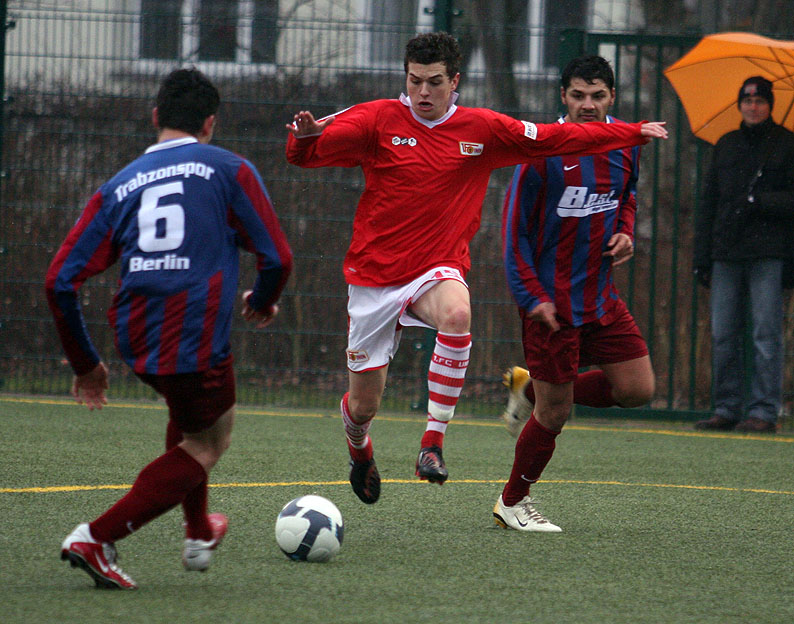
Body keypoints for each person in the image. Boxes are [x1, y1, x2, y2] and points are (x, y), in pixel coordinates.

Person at [285, 33, 667, 505]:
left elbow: (555, 137)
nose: (423, 92)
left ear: (455, 81)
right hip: (374, 278)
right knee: (364, 406)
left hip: (437, 267)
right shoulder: (376, 118)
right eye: (415, 81)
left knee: (458, 314)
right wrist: (305, 137)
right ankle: (359, 447)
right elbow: (305, 154)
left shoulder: (481, 128)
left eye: (434, 82)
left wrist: (632, 132)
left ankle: (433, 443)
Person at [46, 68, 292, 589]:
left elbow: (59, 282)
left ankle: (199, 532)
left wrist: (87, 364)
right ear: (209, 124)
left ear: (155, 116)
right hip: (194, 334)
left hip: (133, 332)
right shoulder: (229, 169)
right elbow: (278, 258)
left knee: (189, 417)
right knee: (209, 442)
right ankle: (96, 538)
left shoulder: (119, 185)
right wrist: (264, 300)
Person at [496, 55, 656, 532]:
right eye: (579, 95)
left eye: (598, 95)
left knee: (638, 389)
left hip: (601, 298)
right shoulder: (540, 154)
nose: (588, 104)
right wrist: (532, 298)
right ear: (563, 97)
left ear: (612, 97)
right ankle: (511, 502)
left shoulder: (626, 144)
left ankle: (529, 389)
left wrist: (625, 232)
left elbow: (626, 196)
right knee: (556, 412)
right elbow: (513, 236)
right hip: (551, 306)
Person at [693, 76, 794, 434]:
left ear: (770, 104)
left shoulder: (786, 144)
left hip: (768, 252)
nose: (753, 106)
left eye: (760, 100)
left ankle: (764, 411)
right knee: (723, 334)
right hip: (726, 252)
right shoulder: (726, 144)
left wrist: (760, 201)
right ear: (740, 104)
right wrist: (702, 257)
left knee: (766, 335)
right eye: (747, 100)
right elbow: (708, 202)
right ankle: (726, 408)